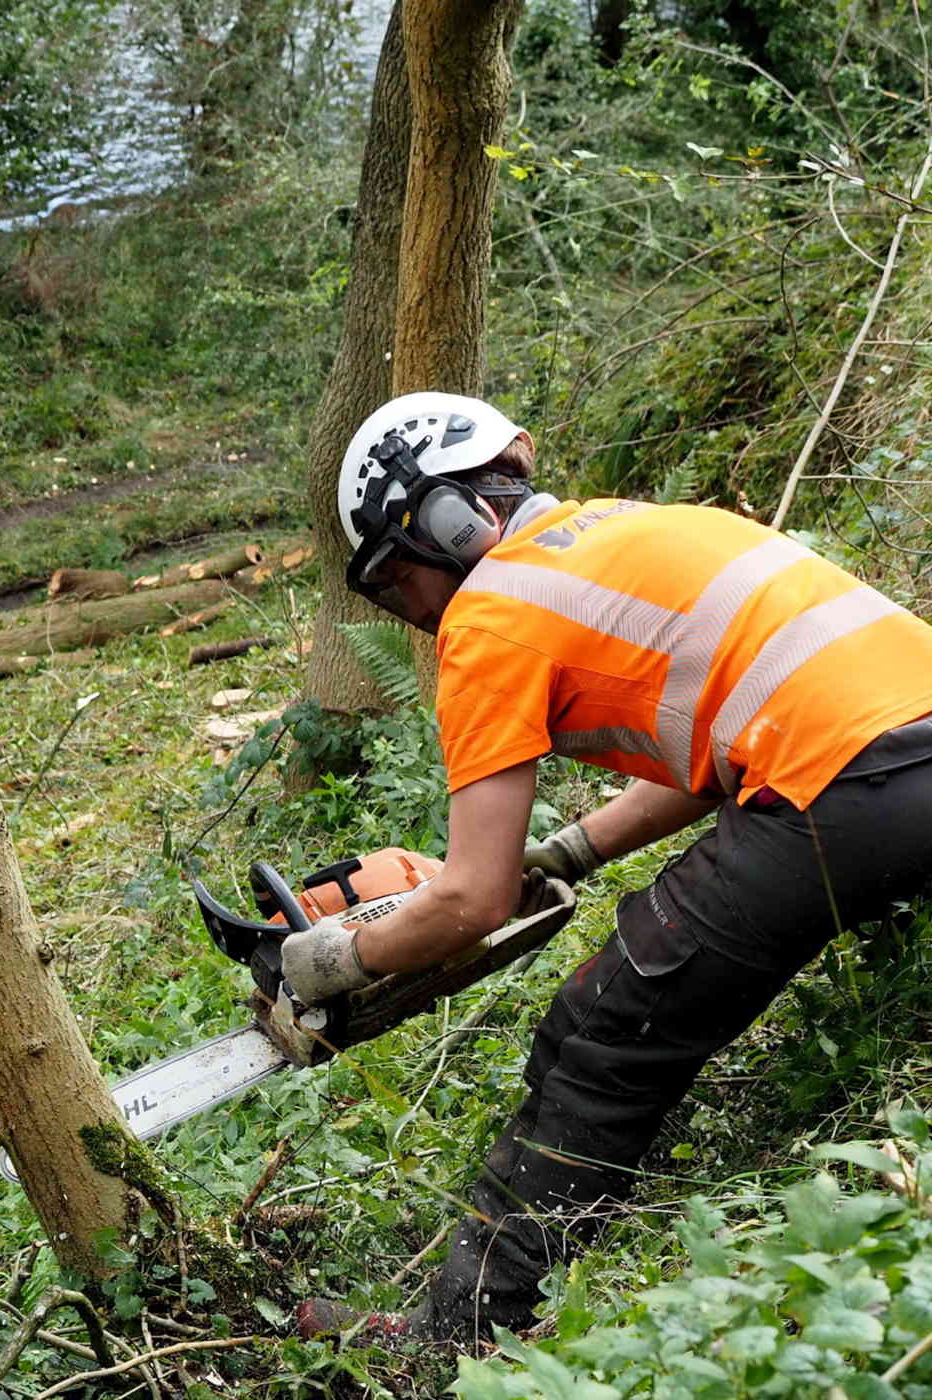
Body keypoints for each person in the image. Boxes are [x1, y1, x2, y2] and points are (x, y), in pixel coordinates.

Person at [284, 390, 932, 1346]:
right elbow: (723, 751)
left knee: (603, 1031)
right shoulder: (635, 530)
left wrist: (337, 958)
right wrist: (573, 850)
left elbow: (470, 897)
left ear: (445, 522)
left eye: (396, 581)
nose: (414, 615)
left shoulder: (494, 608)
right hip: (890, 761)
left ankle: (456, 1338)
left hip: (840, 784)